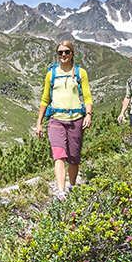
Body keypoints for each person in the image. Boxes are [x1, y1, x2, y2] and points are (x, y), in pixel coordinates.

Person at [35, 40, 93, 200]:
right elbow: (44, 99)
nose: (63, 55)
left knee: (74, 158)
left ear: (72, 53)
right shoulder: (51, 74)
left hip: (76, 120)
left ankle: (72, 186)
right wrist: (39, 122)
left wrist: (88, 114)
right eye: (60, 52)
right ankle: (61, 192)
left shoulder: (81, 73)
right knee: (59, 155)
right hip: (56, 120)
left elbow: (87, 96)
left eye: (66, 52)